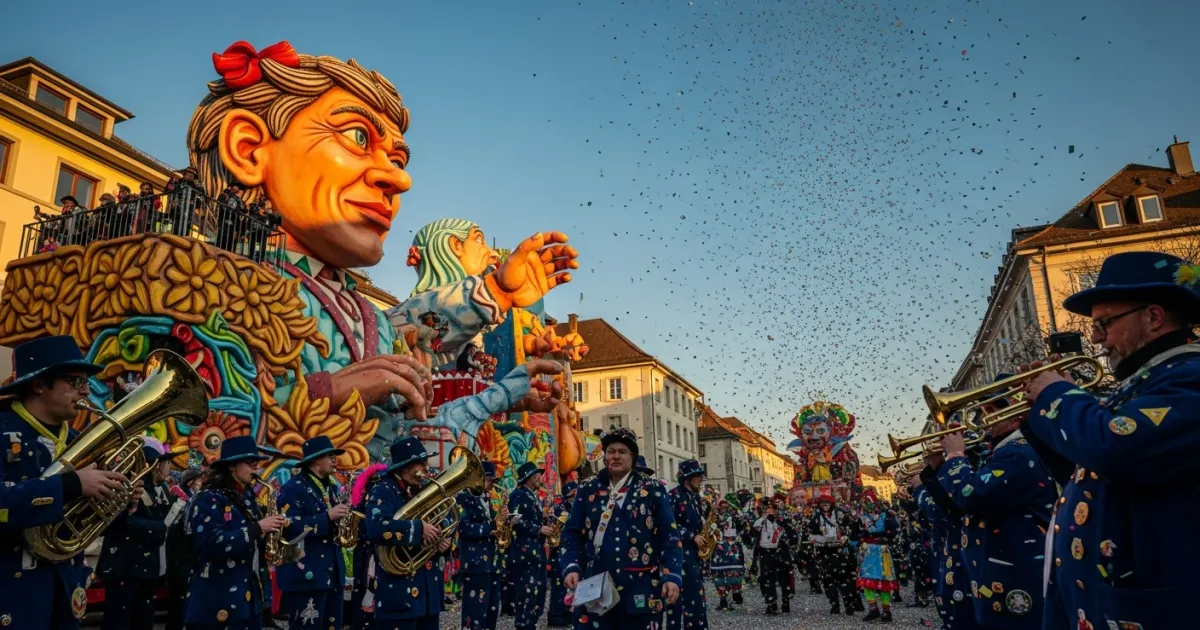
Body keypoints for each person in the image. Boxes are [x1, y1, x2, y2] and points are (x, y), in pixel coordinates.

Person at [1020, 251, 1200, 630]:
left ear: (1153, 317)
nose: (1096, 337)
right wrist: (1036, 419)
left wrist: (1058, 399)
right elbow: (1086, 472)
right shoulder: (1140, 386)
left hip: (1155, 609)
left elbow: (1117, 449)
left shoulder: (1188, 376)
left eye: (1105, 323)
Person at [0, 335, 130, 629]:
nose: (85, 391)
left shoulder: (75, 441)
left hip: (64, 591)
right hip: (12, 594)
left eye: (85, 382)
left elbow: (82, 524)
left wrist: (116, 500)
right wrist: (70, 486)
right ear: (38, 384)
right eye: (74, 381)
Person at [934, 375, 1055, 629]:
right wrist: (936, 467)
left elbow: (973, 497)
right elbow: (955, 506)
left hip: (1018, 579)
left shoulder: (1019, 452)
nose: (982, 416)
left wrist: (955, 456)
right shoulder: (1002, 452)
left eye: (992, 409)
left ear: (1016, 413)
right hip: (999, 576)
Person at [560, 428, 682, 630]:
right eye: (611, 451)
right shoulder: (588, 488)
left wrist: (671, 576)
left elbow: (669, 536)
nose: (616, 456)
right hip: (596, 586)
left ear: (633, 457)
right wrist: (571, 566)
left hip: (641, 586)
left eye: (623, 451)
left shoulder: (652, 488)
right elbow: (572, 533)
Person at [185, 435, 287, 629]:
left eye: (257, 463)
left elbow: (251, 541)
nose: (257, 468)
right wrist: (258, 528)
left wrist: (273, 539)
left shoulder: (248, 498)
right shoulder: (208, 499)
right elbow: (212, 543)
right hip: (216, 599)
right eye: (251, 463)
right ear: (231, 466)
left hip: (247, 598)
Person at [365, 436, 451, 630]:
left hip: (428, 595)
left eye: (425, 462)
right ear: (405, 467)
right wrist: (419, 529)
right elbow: (376, 527)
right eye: (420, 463)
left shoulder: (422, 490)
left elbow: (441, 520)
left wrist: (440, 541)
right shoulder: (384, 490)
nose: (426, 468)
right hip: (399, 592)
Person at [98, 445, 182, 630]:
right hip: (125, 565)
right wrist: (160, 528)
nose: (168, 467)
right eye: (165, 462)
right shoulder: (130, 486)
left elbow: (164, 516)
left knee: (143, 619)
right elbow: (123, 522)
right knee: (119, 620)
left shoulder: (160, 490)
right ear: (153, 466)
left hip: (148, 566)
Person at [276, 436, 350, 628]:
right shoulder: (293, 488)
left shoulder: (333, 487)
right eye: (330, 456)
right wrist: (327, 517)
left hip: (332, 572)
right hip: (306, 575)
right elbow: (287, 527)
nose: (335, 460)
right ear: (316, 460)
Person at [456, 460, 503, 630]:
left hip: (492, 563)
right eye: (490, 480)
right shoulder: (464, 498)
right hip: (475, 564)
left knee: (491, 610)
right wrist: (491, 527)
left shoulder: (487, 499)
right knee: (474, 612)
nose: (493, 484)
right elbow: (463, 528)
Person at [507, 461, 553, 630]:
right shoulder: (518, 495)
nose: (540, 478)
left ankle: (531, 623)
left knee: (539, 592)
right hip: (524, 553)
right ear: (529, 478)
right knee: (525, 593)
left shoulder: (533, 495)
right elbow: (514, 521)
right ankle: (524, 625)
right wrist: (538, 529)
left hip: (537, 552)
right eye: (537, 476)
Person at [666, 459, 709, 630]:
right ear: (687, 478)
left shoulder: (695, 497)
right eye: (697, 476)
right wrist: (691, 535)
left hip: (693, 554)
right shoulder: (673, 495)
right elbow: (669, 523)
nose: (701, 480)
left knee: (696, 597)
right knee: (676, 599)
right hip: (678, 554)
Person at [166, 467, 204, 630]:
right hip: (178, 555)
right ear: (191, 482)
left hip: (189, 554)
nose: (201, 483)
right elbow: (167, 524)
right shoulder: (179, 497)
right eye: (199, 480)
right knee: (178, 600)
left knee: (187, 599)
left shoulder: (193, 498)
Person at [855, 488, 899, 623]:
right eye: (865, 503)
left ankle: (886, 611)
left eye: (871, 503)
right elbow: (856, 532)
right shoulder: (861, 517)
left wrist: (875, 536)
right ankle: (873, 609)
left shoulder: (886, 516)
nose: (869, 506)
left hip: (881, 551)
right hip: (868, 551)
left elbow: (893, 532)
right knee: (867, 580)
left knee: (884, 581)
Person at [807, 494, 856, 616]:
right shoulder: (816, 517)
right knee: (828, 580)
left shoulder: (840, 515)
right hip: (825, 551)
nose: (825, 506)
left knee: (845, 578)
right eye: (823, 504)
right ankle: (834, 604)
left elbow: (850, 528)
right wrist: (817, 539)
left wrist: (845, 537)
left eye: (828, 503)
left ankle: (849, 604)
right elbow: (810, 532)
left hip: (840, 551)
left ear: (832, 504)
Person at [546, 480, 579, 627]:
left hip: (568, 548)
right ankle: (556, 615)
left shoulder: (573, 505)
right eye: (572, 494)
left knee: (569, 585)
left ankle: (567, 612)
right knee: (559, 585)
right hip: (559, 549)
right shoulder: (560, 507)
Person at [710, 498, 745, 611]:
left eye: (726, 506)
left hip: (731, 548)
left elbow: (742, 528)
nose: (724, 508)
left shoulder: (735, 517)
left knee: (734, 573)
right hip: (720, 550)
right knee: (719, 575)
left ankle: (735, 593)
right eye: (722, 506)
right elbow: (710, 530)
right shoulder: (714, 518)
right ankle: (724, 599)